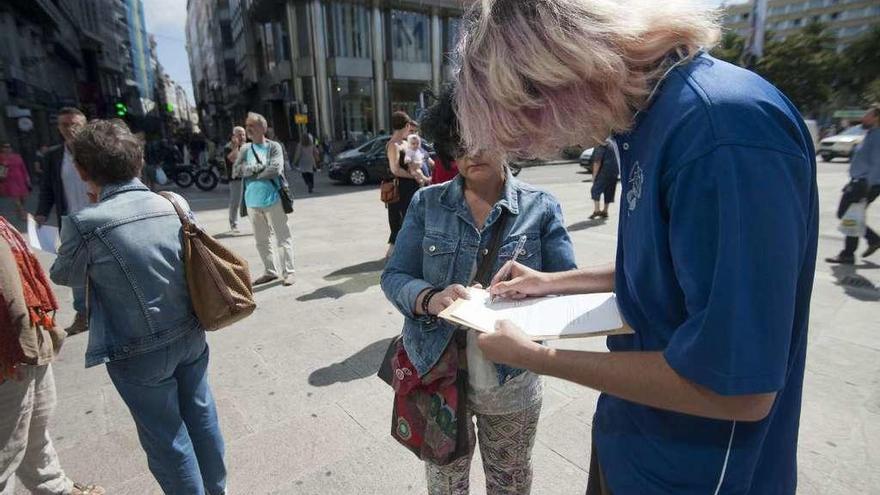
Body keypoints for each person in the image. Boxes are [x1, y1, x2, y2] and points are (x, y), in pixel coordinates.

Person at [454, 1, 818, 494]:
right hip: (636, 438)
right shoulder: (650, 120)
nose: (542, 139)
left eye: (527, 115)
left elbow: (737, 388)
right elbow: (667, 264)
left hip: (698, 471)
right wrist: (551, 282)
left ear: (557, 73)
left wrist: (540, 358)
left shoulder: (721, 130)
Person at [381, 85, 577, 495]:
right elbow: (395, 275)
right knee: (446, 484)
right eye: (461, 142)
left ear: (509, 135)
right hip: (437, 371)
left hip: (510, 380)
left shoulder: (540, 207)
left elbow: (566, 289)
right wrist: (431, 298)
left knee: (509, 481)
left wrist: (528, 298)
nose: (473, 153)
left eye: (485, 138)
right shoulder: (427, 203)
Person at [48, 119, 227, 495]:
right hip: (191, 332)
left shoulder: (85, 222)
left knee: (166, 437)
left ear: (83, 171)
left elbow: (64, 273)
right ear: (139, 159)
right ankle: (218, 489)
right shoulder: (173, 202)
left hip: (136, 349)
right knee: (201, 414)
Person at [0, 216, 105, 495]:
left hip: (31, 343)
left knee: (34, 429)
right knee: (5, 452)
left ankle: (55, 487)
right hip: (10, 357)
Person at [34, 107, 90, 336]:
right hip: (70, 221)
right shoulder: (53, 156)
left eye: (75, 124)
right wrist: (41, 213)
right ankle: (83, 314)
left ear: (84, 125)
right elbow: (47, 187)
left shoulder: (96, 151)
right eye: (65, 125)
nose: (70, 129)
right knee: (76, 268)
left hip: (101, 216)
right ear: (59, 128)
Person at [232, 112, 295, 286]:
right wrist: (258, 169)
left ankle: (288, 272)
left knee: (282, 237)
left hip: (274, 199)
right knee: (261, 240)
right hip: (252, 202)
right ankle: (270, 271)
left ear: (263, 128)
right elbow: (236, 171)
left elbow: (275, 169)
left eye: (252, 125)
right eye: (247, 125)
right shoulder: (245, 149)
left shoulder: (274, 147)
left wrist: (252, 171)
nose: (248, 128)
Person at [826, 104, 880, 264]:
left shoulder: (877, 136)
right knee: (850, 215)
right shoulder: (870, 134)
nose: (864, 117)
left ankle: (849, 253)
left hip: (865, 183)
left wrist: (867, 187)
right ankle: (871, 240)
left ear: (877, 118)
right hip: (859, 181)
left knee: (849, 215)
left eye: (867, 115)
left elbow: (878, 163)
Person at [385, 111, 420, 258]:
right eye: (409, 127)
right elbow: (395, 169)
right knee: (400, 222)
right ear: (406, 125)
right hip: (400, 189)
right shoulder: (393, 145)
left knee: (411, 220)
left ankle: (406, 254)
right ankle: (392, 258)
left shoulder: (405, 143)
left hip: (410, 188)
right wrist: (413, 176)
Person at [588, 140, 619, 220]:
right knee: (609, 190)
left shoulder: (601, 146)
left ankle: (597, 210)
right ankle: (605, 211)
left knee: (595, 190)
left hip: (603, 172)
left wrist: (594, 176)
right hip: (614, 172)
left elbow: (597, 162)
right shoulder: (613, 144)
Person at [224, 126, 247, 233]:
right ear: (234, 136)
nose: (242, 136)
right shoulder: (228, 147)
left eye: (243, 134)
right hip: (236, 179)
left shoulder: (247, 146)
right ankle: (233, 223)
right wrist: (236, 146)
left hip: (248, 177)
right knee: (235, 202)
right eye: (239, 134)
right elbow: (232, 159)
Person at [0, 143, 30, 222]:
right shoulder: (1, 157)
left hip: (20, 179)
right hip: (9, 180)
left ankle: (19, 211)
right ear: (2, 148)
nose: (7, 149)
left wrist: (27, 177)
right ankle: (23, 214)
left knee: (23, 197)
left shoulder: (17, 156)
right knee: (16, 197)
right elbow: (1, 170)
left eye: (9, 147)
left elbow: (23, 167)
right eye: (5, 147)